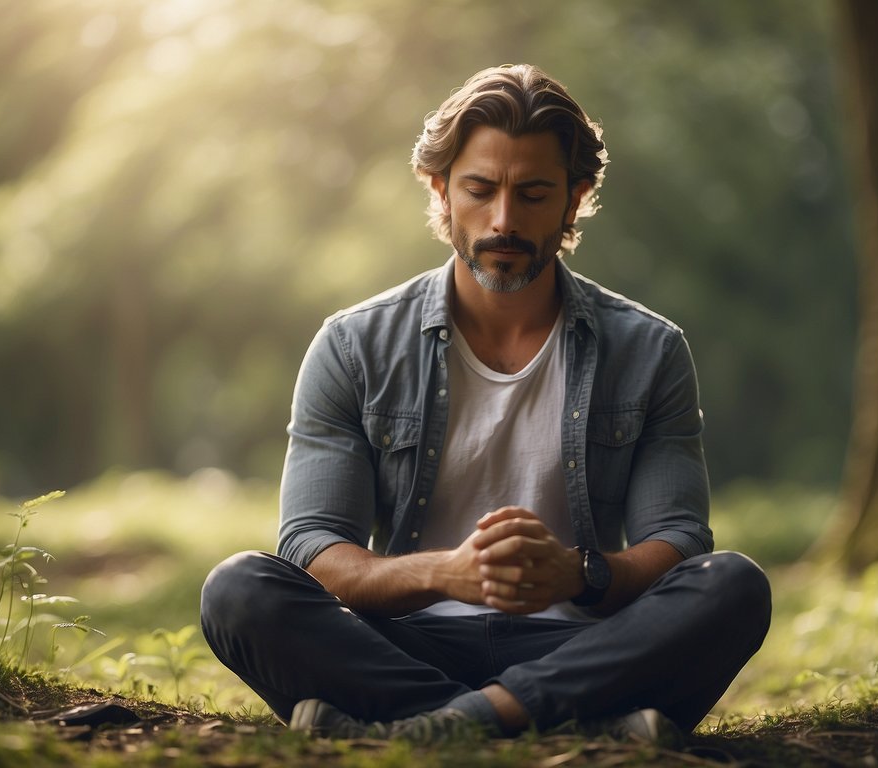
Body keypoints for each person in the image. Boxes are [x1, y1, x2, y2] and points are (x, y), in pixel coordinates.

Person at [200, 63, 771, 746]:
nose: (504, 220)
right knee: (240, 590)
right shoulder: (353, 346)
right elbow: (312, 550)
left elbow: (676, 545)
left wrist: (578, 573)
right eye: (480, 190)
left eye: (533, 194)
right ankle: (572, 726)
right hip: (408, 648)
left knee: (733, 584)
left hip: (584, 648)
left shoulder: (649, 351)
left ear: (574, 198)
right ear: (440, 190)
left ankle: (421, 728)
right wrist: (447, 573)